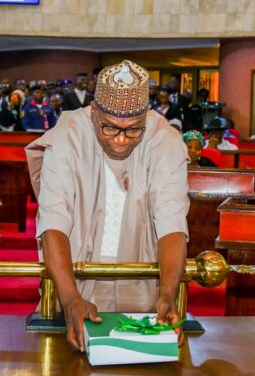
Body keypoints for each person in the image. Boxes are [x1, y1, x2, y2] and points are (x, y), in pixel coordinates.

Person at [27, 60, 188, 352]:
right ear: (93, 112)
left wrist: (167, 294)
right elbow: (53, 223)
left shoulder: (165, 140)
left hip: (143, 293)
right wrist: (71, 299)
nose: (122, 140)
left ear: (146, 117)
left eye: (134, 130)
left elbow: (172, 223)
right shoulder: (67, 136)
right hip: (73, 286)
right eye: (110, 128)